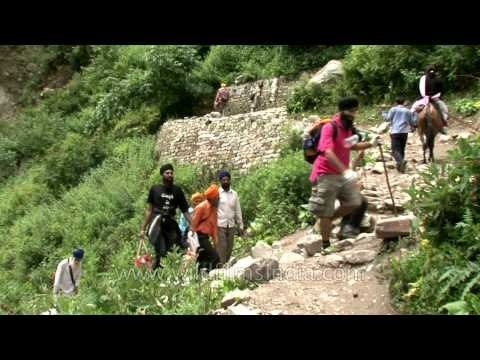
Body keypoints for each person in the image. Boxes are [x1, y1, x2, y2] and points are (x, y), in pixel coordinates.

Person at [308, 97, 381, 249]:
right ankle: (326, 245)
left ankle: (327, 220)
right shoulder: (330, 127)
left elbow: (350, 146)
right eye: (351, 111)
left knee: (355, 202)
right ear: (342, 111)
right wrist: (346, 171)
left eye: (355, 111)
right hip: (326, 173)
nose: (353, 114)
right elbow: (328, 152)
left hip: (341, 174)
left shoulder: (347, 128)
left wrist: (370, 144)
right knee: (326, 209)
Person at [139, 164, 192, 270]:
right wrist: (142, 229)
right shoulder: (155, 189)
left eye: (171, 173)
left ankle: (160, 273)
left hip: (170, 223)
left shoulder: (177, 191)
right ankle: (159, 274)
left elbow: (185, 210)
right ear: (162, 175)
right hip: (156, 223)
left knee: (175, 248)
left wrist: (194, 225)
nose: (170, 175)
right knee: (161, 250)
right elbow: (149, 210)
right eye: (167, 173)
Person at [383, 97, 418, 173]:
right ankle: (401, 167)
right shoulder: (407, 111)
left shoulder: (393, 109)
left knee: (395, 150)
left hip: (395, 132)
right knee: (401, 149)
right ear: (403, 102)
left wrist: (384, 113)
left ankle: (401, 162)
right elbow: (412, 122)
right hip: (404, 132)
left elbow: (387, 119)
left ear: (396, 102)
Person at [190, 184, 221, 272]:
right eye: (217, 197)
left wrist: (216, 243)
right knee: (214, 257)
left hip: (205, 237)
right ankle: (211, 275)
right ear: (211, 199)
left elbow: (214, 227)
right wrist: (192, 243)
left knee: (203, 259)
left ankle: (202, 277)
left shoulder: (214, 209)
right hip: (199, 236)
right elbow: (193, 225)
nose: (219, 199)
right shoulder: (201, 207)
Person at [216, 170, 244, 266]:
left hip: (231, 224)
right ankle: (220, 267)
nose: (226, 182)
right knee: (222, 247)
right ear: (220, 181)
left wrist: (240, 225)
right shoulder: (217, 193)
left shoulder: (234, 194)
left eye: (227, 180)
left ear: (230, 180)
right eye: (223, 180)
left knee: (229, 247)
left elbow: (237, 210)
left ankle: (226, 265)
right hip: (220, 225)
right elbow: (213, 209)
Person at [411, 65, 448, 134]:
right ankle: (443, 124)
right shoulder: (438, 79)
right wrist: (436, 96)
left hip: (425, 98)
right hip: (434, 98)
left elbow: (421, 89)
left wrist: (426, 96)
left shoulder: (423, 79)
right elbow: (442, 91)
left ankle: (413, 124)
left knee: (413, 109)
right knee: (444, 110)